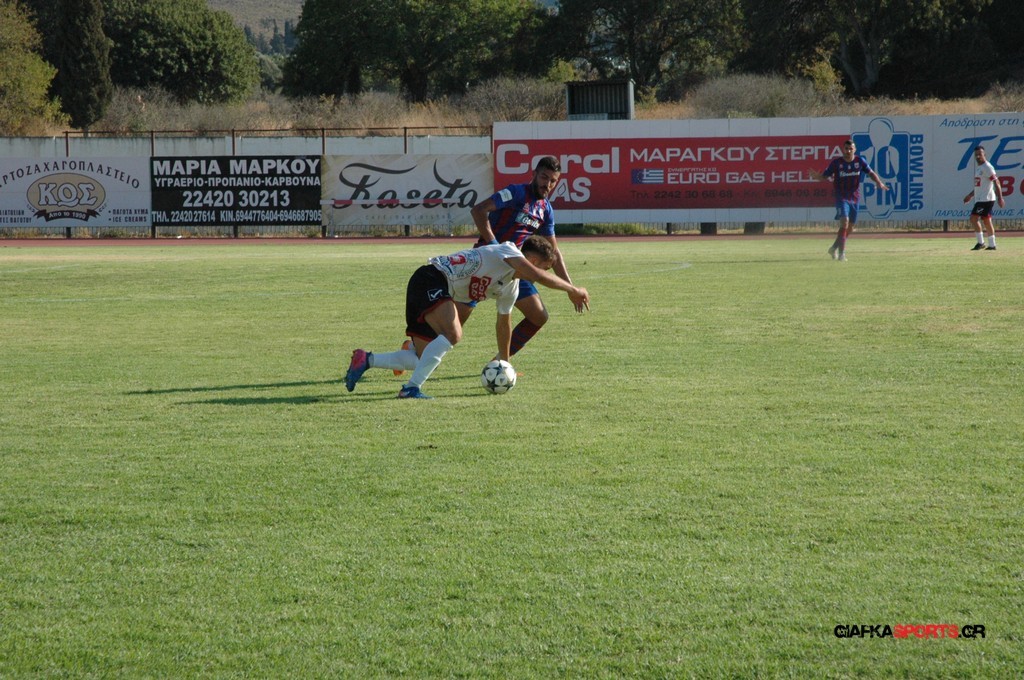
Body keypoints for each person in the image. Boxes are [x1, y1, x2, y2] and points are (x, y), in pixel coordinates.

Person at [345, 236, 589, 399]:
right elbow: (537, 275)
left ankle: (366, 360)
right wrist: (572, 289)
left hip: (434, 288)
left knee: (421, 358)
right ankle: (411, 389)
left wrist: (504, 364)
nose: (543, 272)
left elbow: (503, 323)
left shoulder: (511, 287)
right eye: (545, 267)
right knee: (454, 334)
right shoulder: (509, 250)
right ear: (533, 261)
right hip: (432, 278)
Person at [466, 155, 583, 357]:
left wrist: (570, 288)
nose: (548, 184)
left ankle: (499, 364)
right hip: (487, 263)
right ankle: (415, 349)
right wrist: (494, 246)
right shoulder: (515, 193)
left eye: (553, 181)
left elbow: (553, 251)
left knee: (538, 316)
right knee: (455, 323)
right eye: (544, 177)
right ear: (534, 174)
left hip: (515, 271)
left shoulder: (545, 210)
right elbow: (479, 211)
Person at [809, 139, 889, 261]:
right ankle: (842, 254)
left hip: (855, 198)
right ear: (843, 149)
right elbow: (825, 176)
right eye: (846, 149)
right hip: (841, 197)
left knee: (850, 228)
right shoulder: (836, 163)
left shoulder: (860, 161)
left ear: (854, 149)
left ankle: (833, 248)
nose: (848, 151)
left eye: (851, 149)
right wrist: (817, 177)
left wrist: (879, 182)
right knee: (844, 222)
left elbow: (871, 173)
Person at [963, 145, 1005, 251]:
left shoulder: (987, 167)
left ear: (984, 154)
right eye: (976, 155)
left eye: (980, 154)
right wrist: (970, 195)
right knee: (986, 220)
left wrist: (1000, 197)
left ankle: (981, 243)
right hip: (982, 198)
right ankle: (992, 245)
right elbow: (979, 186)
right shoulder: (979, 168)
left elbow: (996, 181)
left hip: (986, 199)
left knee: (973, 218)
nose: (978, 156)